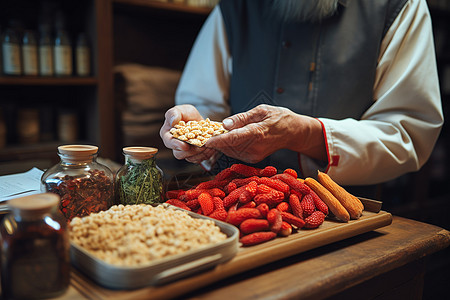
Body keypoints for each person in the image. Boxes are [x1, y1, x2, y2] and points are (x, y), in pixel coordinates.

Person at [160, 0, 444, 187]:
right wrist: (197, 131)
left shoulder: (398, 6)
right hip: (236, 202)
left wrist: (304, 133)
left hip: (343, 215)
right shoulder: (236, 7)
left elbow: (408, 133)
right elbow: (205, 104)